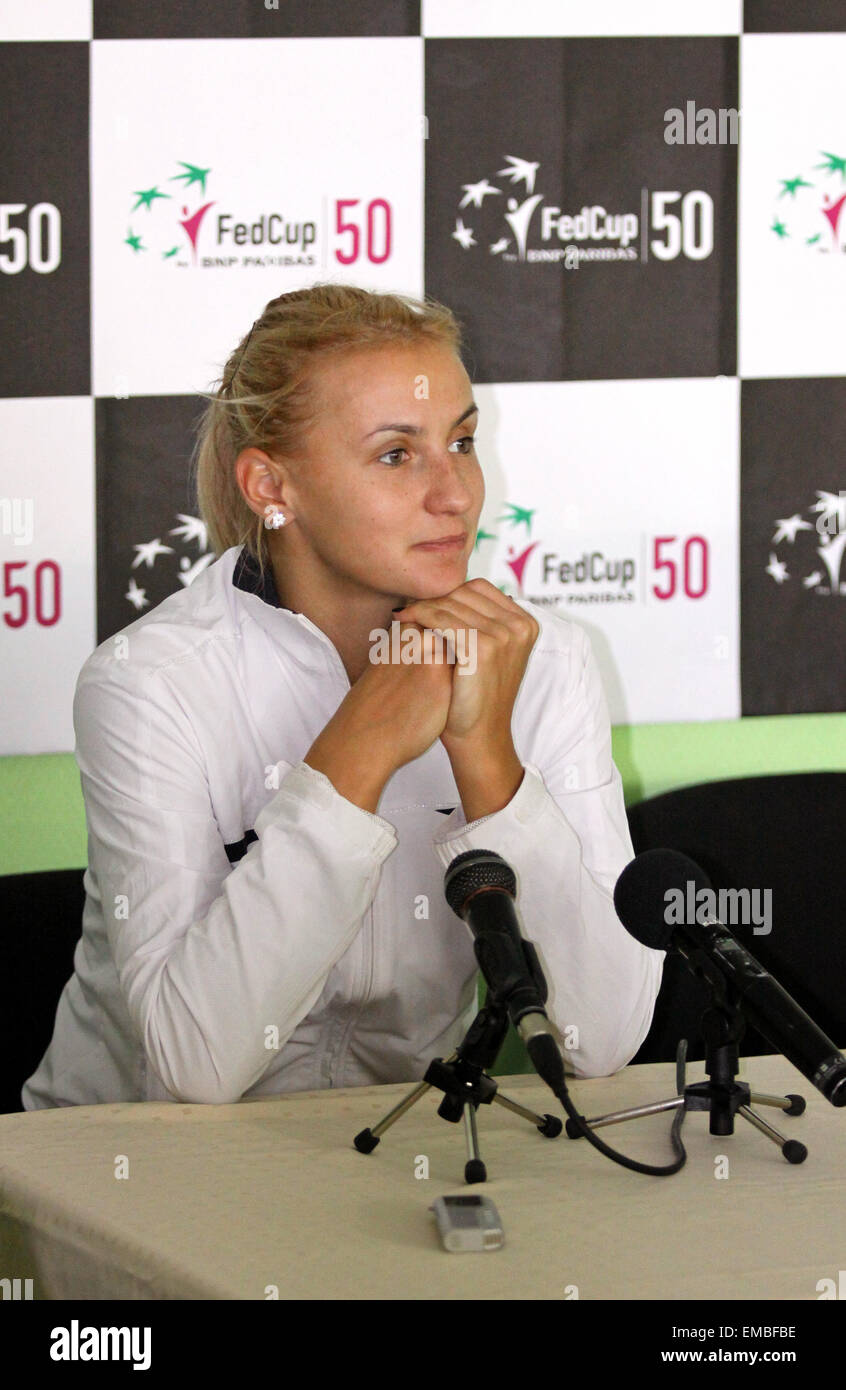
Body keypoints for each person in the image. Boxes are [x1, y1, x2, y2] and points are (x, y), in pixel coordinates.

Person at [22, 283, 663, 1109]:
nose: (458, 494)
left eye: (462, 442)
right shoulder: (149, 683)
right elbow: (193, 1067)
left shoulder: (542, 659)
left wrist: (485, 757)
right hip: (135, 1167)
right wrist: (355, 752)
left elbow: (603, 1040)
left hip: (380, 1156)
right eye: (397, 454)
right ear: (270, 487)